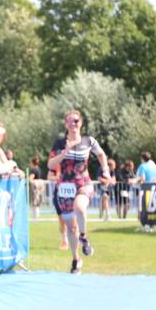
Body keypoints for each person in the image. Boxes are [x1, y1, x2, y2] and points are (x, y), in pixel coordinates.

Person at [47, 109, 111, 274]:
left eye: (76, 120)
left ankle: (84, 236)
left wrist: (106, 171)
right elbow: (50, 165)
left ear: (81, 123)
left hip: (83, 182)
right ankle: (76, 259)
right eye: (70, 121)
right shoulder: (59, 143)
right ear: (65, 124)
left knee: (80, 207)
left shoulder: (88, 141)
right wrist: (65, 152)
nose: (73, 123)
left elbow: (102, 154)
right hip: (64, 187)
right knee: (70, 228)